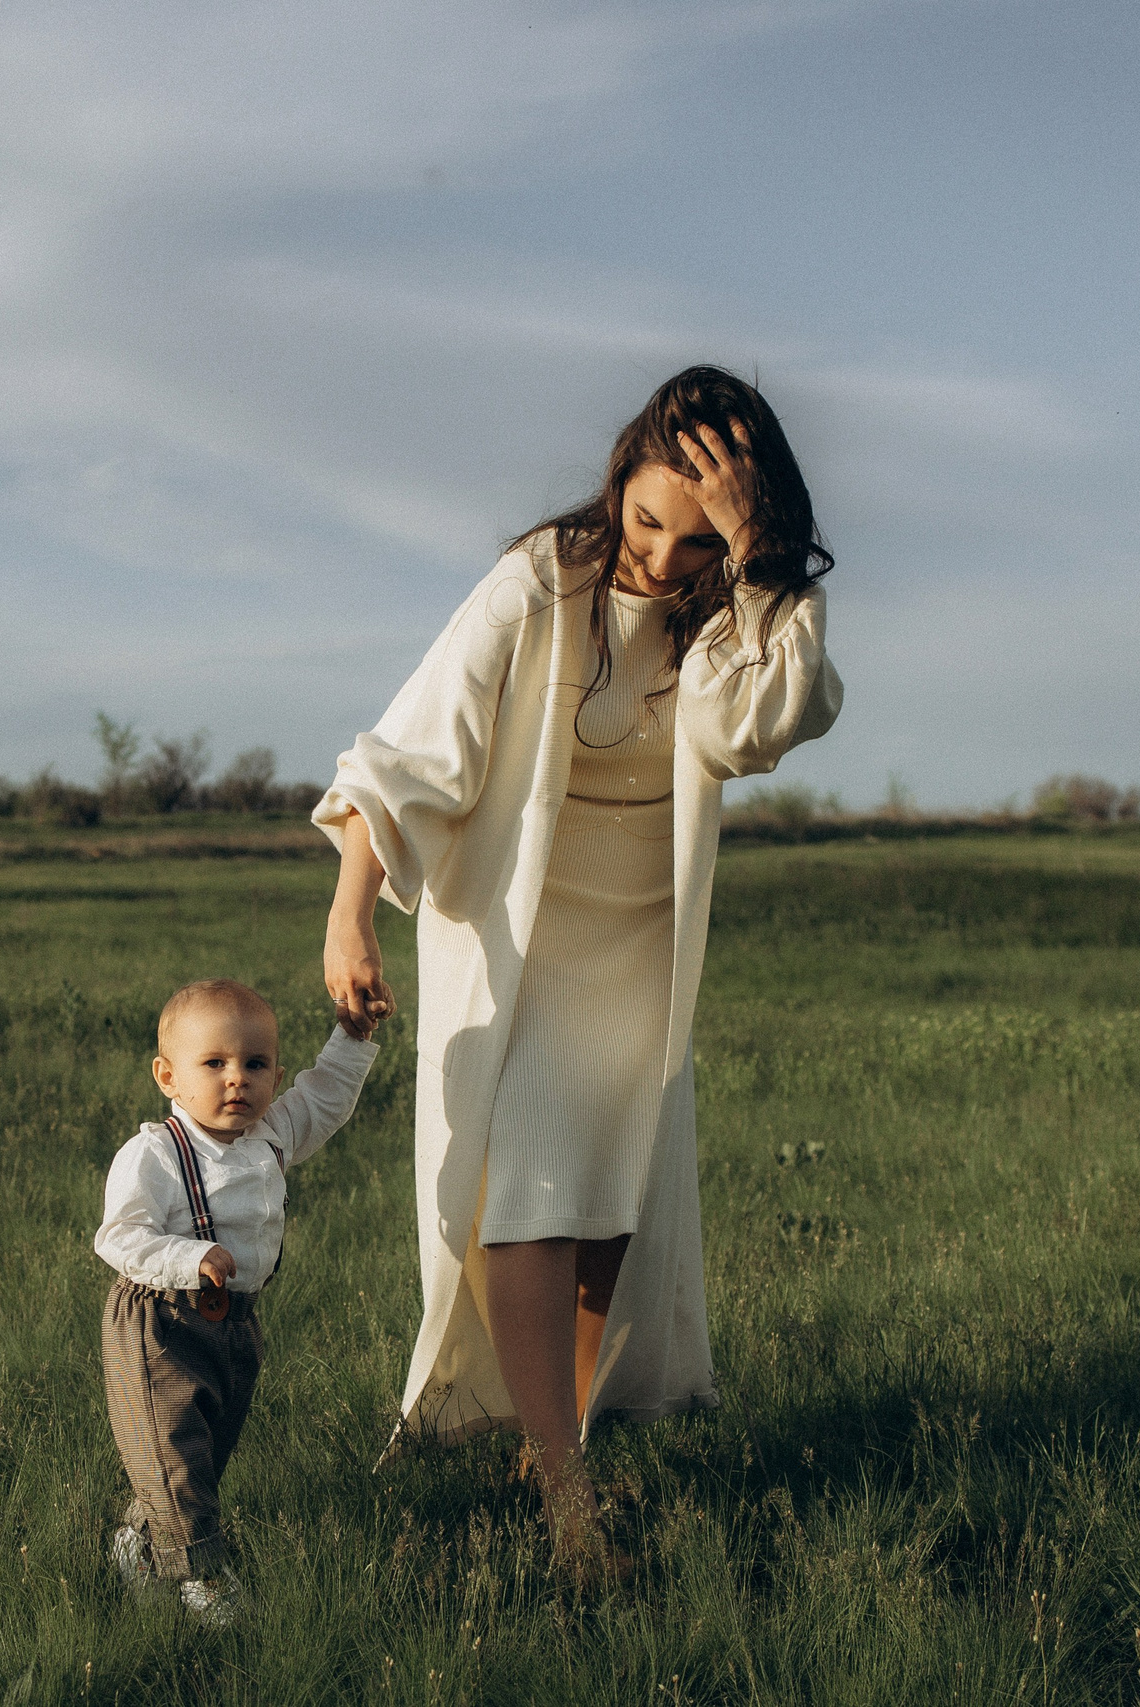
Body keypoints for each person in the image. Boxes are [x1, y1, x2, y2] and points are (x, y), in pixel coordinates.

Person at [314, 365, 843, 1572]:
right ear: (617, 481)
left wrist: (761, 569)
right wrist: (351, 915)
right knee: (530, 1202)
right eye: (645, 517)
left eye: (696, 534)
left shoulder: (744, 607)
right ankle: (567, 1502)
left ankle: (556, 1442)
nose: (660, 553)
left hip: (642, 945)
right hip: (519, 939)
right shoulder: (535, 587)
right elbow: (409, 752)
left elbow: (760, 726)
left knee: (608, 1207)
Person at [93, 978, 381, 1626]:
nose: (237, 1080)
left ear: (275, 1074)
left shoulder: (270, 1136)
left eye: (255, 1064)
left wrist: (354, 1035)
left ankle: (140, 1543)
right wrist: (188, 1256)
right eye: (214, 1063)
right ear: (167, 1075)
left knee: (202, 1453)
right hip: (161, 1320)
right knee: (173, 1449)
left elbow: (325, 1098)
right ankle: (203, 1579)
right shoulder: (157, 1153)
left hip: (235, 1324)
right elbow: (119, 1236)